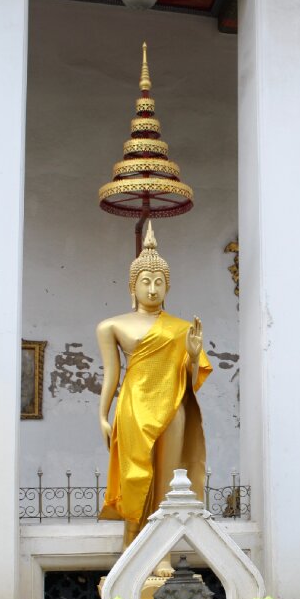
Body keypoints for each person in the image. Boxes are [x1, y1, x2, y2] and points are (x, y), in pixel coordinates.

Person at [97, 222, 212, 562]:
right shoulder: (112, 326)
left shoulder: (180, 329)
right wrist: (102, 415)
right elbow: (111, 374)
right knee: (135, 476)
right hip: (133, 407)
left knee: (166, 479)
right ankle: (130, 551)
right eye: (145, 281)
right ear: (132, 286)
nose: (152, 289)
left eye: (159, 282)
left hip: (171, 409)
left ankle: (160, 554)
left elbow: (191, 382)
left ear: (168, 287)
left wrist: (192, 355)